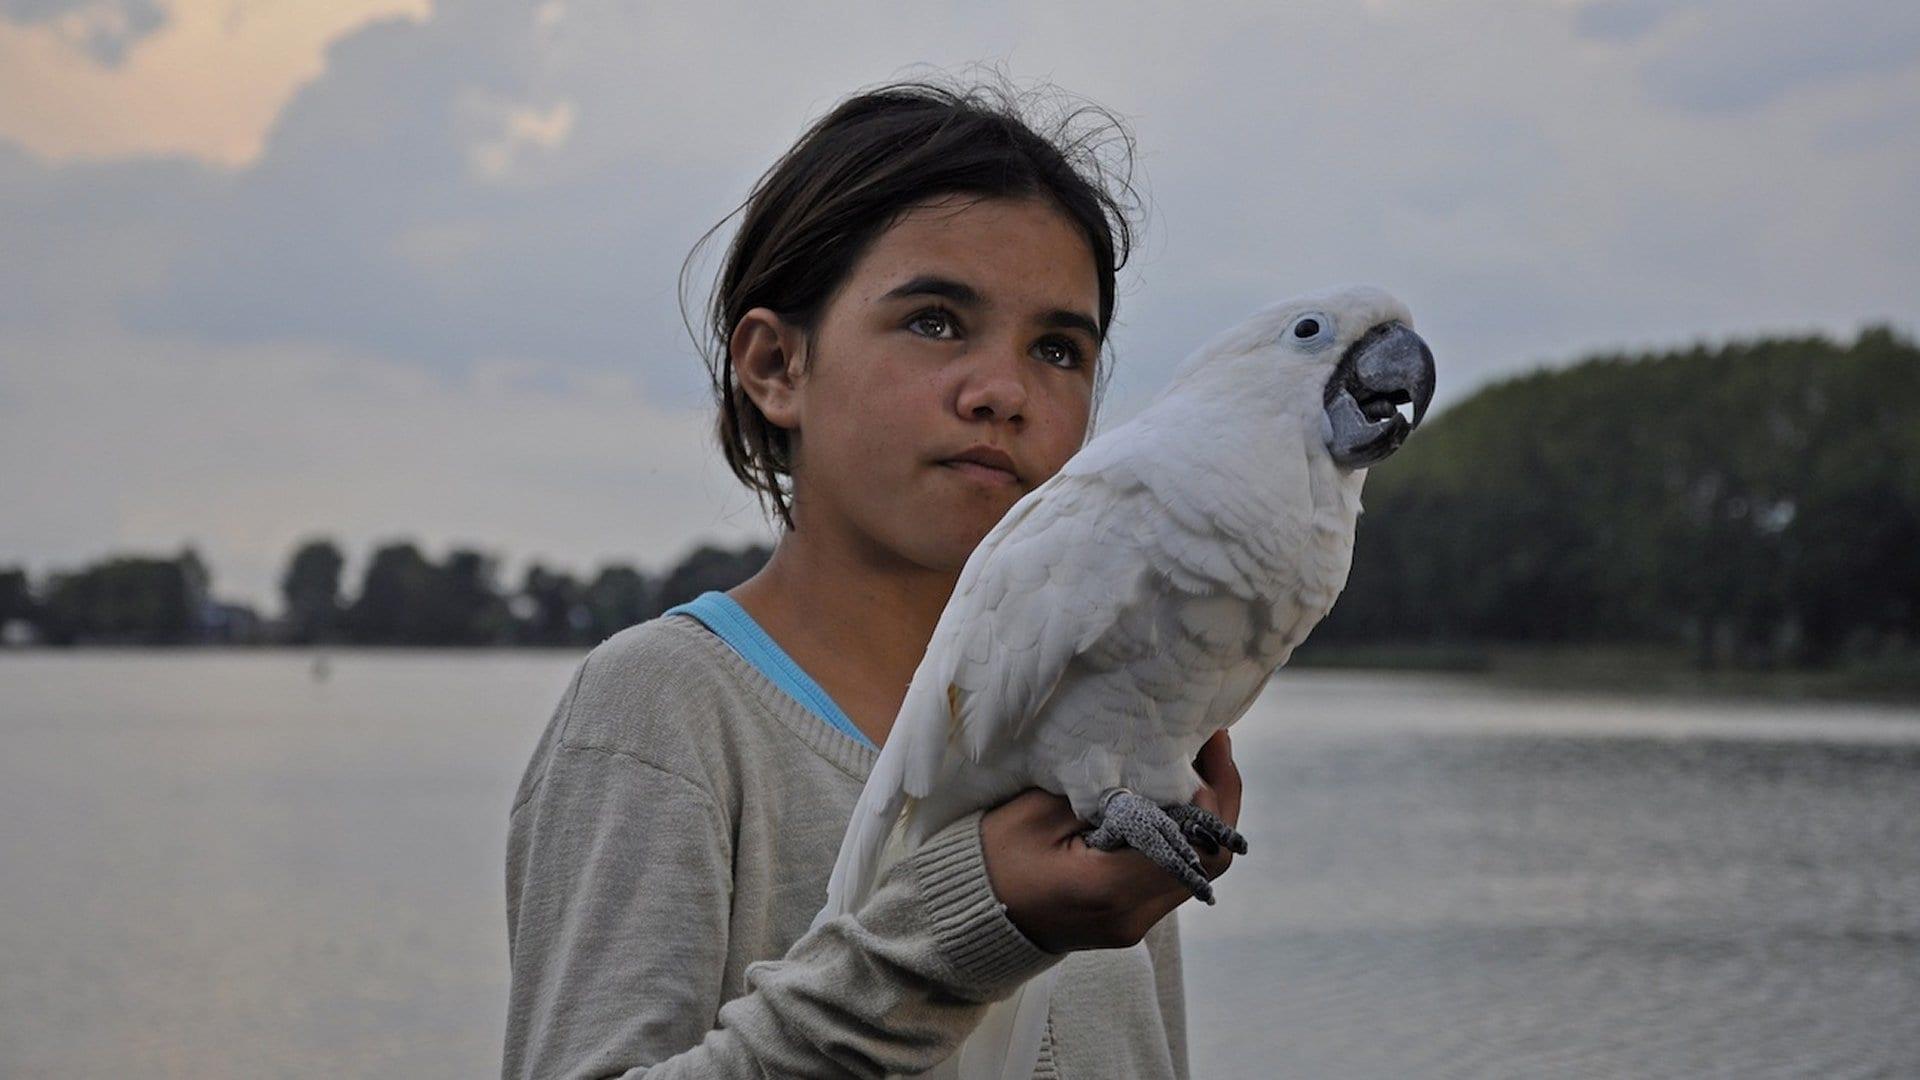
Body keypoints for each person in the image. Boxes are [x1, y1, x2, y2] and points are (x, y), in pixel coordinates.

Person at [503, 75, 1244, 1079]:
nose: (1003, 392)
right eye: (936, 321)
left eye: (1059, 348)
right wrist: (969, 927)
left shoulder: (1098, 730)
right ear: (776, 367)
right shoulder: (663, 710)